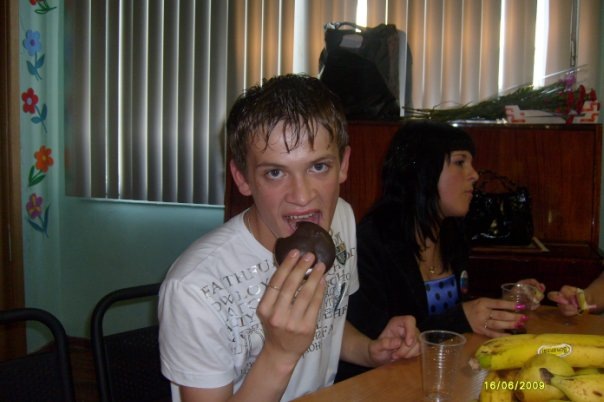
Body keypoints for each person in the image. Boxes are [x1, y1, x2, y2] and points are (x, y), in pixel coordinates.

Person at [158, 74, 420, 402]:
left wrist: (370, 350)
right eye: (275, 172)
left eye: (318, 167)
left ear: (343, 165)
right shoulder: (193, 290)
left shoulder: (340, 220)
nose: (302, 196)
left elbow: (328, 326)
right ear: (242, 178)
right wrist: (279, 353)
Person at [337, 120, 544, 381]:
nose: (474, 175)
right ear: (422, 171)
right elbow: (380, 340)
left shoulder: (452, 232)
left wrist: (502, 303)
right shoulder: (370, 243)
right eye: (460, 162)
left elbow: (451, 310)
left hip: (437, 376)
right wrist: (461, 318)